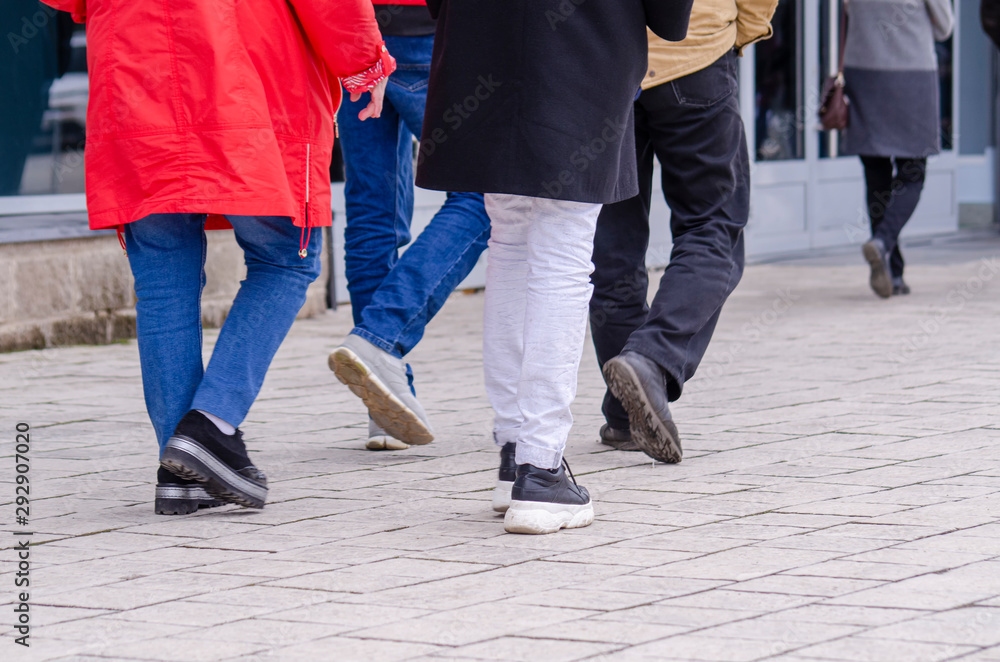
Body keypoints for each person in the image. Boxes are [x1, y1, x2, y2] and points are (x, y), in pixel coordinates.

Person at [39, 0, 395, 514]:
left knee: (163, 286)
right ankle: (211, 426)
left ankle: (180, 471)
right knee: (286, 262)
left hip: (136, 82)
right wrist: (366, 62)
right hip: (249, 88)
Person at [415, 0, 694, 534]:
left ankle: (516, 451)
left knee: (511, 242)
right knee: (559, 254)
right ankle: (540, 468)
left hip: (484, 37)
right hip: (584, 44)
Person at [592, 0, 778, 463]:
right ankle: (651, 360)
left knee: (613, 245)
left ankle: (623, 412)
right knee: (713, 226)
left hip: (602, 61)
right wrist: (743, 30)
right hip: (694, 53)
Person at [328, 0, 491, 451]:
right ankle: (380, 338)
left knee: (369, 215)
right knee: (483, 192)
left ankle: (384, 408)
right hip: (429, 31)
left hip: (352, 32)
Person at [845, 0, 954, 298]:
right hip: (912, 74)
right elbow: (945, 28)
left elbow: (847, 12)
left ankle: (893, 271)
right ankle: (882, 241)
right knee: (913, 173)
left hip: (862, 73)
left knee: (876, 174)